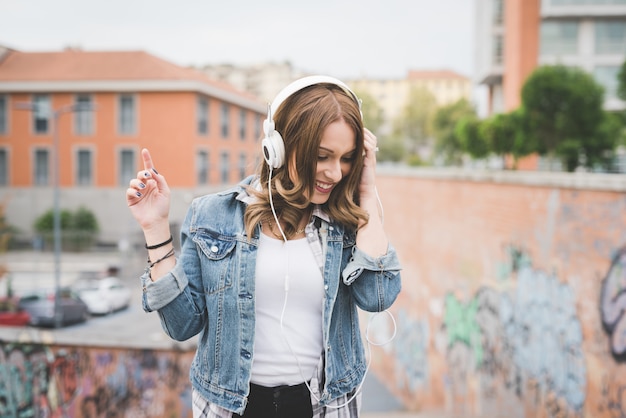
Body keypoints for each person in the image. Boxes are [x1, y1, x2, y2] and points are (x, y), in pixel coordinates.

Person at [125, 75, 402, 418]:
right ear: (278, 146)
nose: (334, 173)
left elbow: (376, 297)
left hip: (323, 407)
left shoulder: (347, 224)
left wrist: (367, 189)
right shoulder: (213, 216)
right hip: (231, 407)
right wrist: (155, 228)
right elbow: (181, 325)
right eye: (322, 156)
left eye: (346, 159)